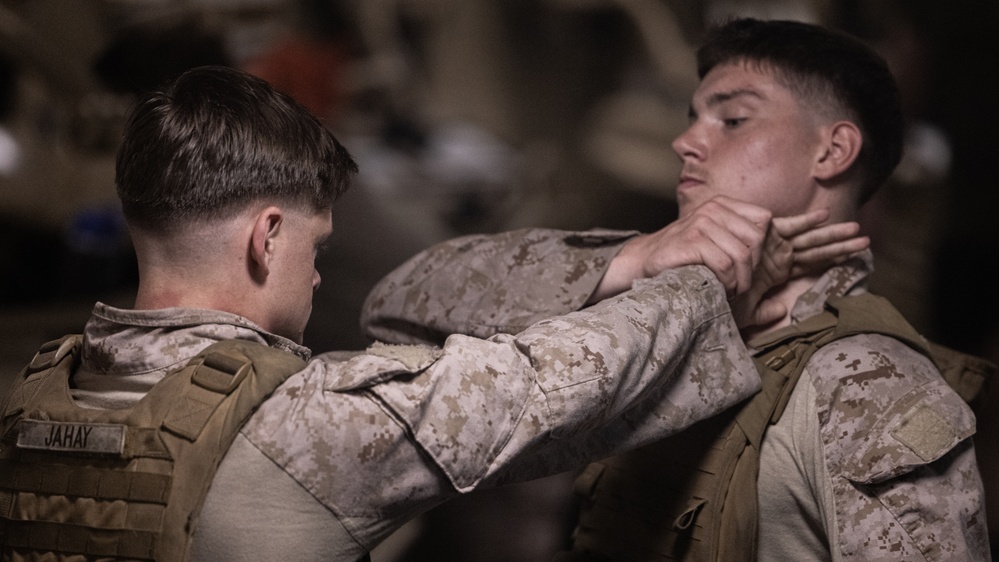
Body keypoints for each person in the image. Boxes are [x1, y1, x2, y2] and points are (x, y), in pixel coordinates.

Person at [0, 65, 860, 561]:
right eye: (316, 249)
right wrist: (709, 271)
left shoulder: (30, 400)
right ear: (267, 237)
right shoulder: (308, 425)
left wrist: (625, 257)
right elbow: (560, 380)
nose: (312, 282)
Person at [361, 18, 989, 561]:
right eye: (694, 118)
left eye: (734, 119)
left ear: (833, 151)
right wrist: (637, 257)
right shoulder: (659, 314)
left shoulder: (868, 381)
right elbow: (398, 303)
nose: (686, 141)